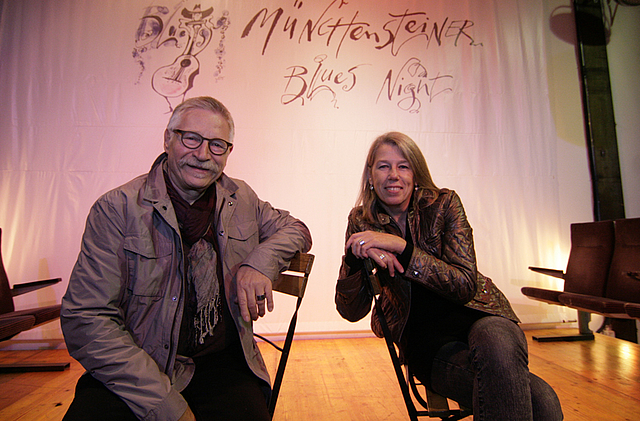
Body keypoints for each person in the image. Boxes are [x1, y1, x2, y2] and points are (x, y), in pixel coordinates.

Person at [61, 96, 312, 421]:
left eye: (217, 145)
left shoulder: (241, 199)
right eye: (191, 138)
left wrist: (258, 262)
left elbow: (297, 230)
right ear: (168, 138)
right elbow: (86, 317)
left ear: (228, 152)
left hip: (221, 366)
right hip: (137, 365)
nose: (203, 154)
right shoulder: (117, 209)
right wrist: (164, 405)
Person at [335, 132, 562, 420]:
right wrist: (354, 260)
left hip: (482, 313)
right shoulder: (360, 222)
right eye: (383, 166)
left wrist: (403, 249)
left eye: (403, 166)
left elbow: (465, 284)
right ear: (370, 175)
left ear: (416, 173)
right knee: (542, 403)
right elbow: (351, 311)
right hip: (427, 341)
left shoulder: (445, 203)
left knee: (496, 341)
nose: (393, 175)